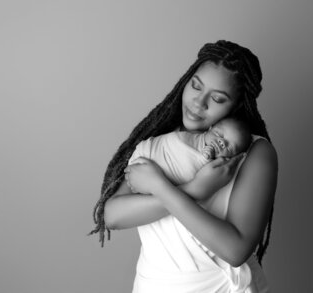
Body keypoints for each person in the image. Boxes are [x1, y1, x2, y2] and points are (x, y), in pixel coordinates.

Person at [89, 40, 278, 293]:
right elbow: (111, 216)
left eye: (218, 99)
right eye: (195, 86)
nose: (198, 103)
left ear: (237, 105)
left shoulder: (254, 153)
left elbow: (235, 250)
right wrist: (194, 190)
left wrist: (161, 187)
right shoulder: (154, 146)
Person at [125, 117, 252, 198]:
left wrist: (205, 159)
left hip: (158, 184)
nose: (221, 142)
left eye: (229, 147)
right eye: (218, 134)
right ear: (211, 127)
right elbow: (175, 142)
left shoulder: (217, 169)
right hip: (147, 152)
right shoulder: (190, 132)